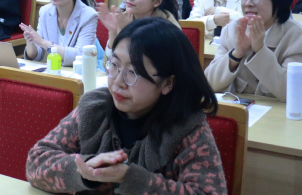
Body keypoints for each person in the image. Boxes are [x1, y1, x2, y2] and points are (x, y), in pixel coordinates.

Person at [26, 18, 226, 195]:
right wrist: (85, 169)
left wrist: (130, 178)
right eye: (114, 65)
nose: (118, 82)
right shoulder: (95, 108)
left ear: (167, 83)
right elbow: (36, 162)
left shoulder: (187, 128)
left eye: (133, 72)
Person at [205, 0, 302, 102]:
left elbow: (293, 93)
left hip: (279, 112)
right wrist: (236, 53)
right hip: (241, 111)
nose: (248, 3)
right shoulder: (232, 30)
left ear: (278, 0)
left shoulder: (295, 35)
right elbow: (208, 84)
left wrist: (260, 49)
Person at [21, 0, 98, 65]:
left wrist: (43, 43)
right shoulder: (45, 11)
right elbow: (37, 54)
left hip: (78, 72)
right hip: (52, 71)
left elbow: (81, 55)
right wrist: (31, 41)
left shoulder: (89, 15)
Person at [97, 0, 181, 60]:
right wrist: (113, 33)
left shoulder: (168, 30)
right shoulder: (125, 18)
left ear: (157, 1)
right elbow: (109, 66)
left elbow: (143, 66)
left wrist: (128, 34)